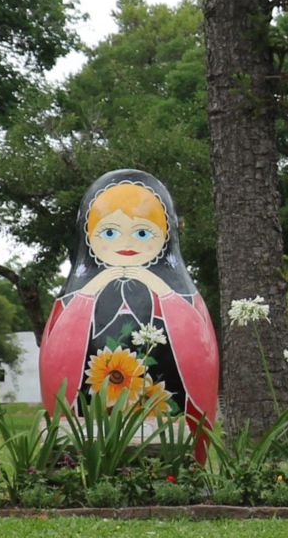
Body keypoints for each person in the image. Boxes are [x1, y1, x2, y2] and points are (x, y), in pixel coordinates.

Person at [39, 170, 218, 462]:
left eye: (143, 233)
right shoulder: (78, 292)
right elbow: (58, 352)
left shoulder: (179, 293)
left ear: (166, 235)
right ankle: (83, 467)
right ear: (88, 235)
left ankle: (179, 470)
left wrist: (163, 292)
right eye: (109, 232)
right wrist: (90, 291)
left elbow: (199, 349)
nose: (126, 243)